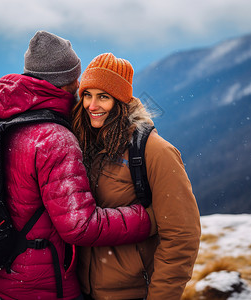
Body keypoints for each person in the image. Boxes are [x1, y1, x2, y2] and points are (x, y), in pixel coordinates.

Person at [0, 32, 154, 300]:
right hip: (40, 287)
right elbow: (79, 226)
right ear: (70, 81)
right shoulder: (54, 139)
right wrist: (146, 218)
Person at [72, 53, 201, 300]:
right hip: (83, 291)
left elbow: (182, 235)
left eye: (104, 97)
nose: (92, 105)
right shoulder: (85, 142)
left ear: (120, 101)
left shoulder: (156, 152)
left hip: (131, 293)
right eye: (87, 95)